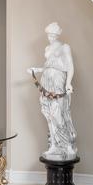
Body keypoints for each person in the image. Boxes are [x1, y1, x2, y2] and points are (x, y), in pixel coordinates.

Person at [27, 22, 77, 159]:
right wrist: (36, 70)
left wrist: (68, 83)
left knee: (58, 114)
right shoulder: (47, 48)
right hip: (46, 82)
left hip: (58, 81)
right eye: (49, 35)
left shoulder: (64, 47)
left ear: (58, 34)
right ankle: (54, 145)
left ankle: (66, 145)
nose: (51, 37)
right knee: (48, 114)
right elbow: (48, 66)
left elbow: (70, 66)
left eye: (53, 35)